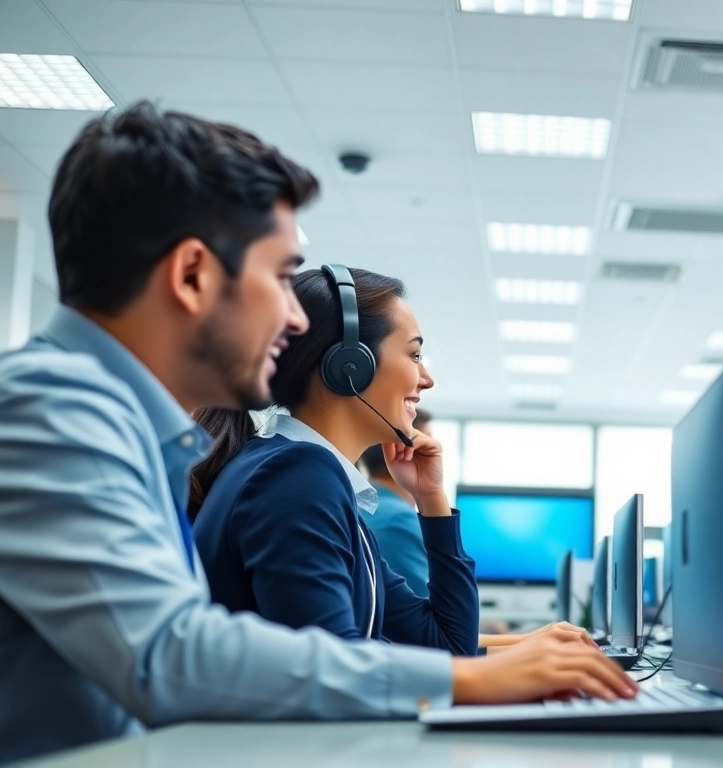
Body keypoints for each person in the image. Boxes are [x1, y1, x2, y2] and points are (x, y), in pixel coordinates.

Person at [0, 102, 635, 763]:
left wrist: (485, 663)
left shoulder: (128, 434)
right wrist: (468, 677)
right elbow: (169, 656)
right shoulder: (51, 411)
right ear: (191, 275)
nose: (295, 319)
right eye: (278, 277)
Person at [191, 266, 578, 655]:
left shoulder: (312, 478)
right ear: (350, 365)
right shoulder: (295, 477)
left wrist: (431, 497)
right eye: (414, 354)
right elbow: (337, 675)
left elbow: (447, 642)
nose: (426, 379)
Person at [358, 410, 435, 598]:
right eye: (428, 448)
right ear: (406, 452)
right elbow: (436, 618)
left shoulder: (359, 505)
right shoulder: (399, 520)